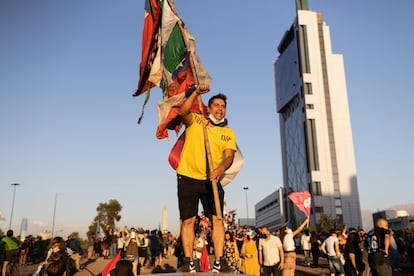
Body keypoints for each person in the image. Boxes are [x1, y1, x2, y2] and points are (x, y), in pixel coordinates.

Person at [176, 84, 237, 273]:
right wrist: (196, 93)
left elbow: (229, 157)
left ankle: (219, 260)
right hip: (187, 176)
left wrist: (220, 169)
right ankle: (188, 260)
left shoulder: (228, 132)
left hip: (211, 179)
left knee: (218, 220)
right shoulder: (196, 121)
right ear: (208, 108)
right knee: (188, 221)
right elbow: (183, 111)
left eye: (223, 106)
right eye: (216, 105)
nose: (220, 108)